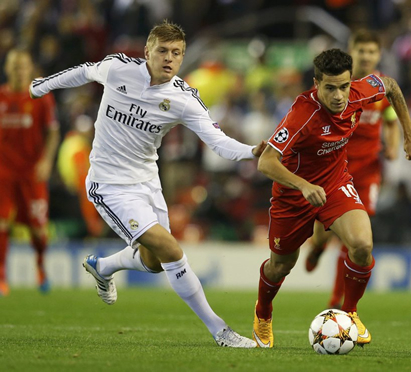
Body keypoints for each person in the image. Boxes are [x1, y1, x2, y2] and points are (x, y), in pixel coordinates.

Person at [30, 20, 265, 348]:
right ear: (147, 52)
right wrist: (40, 86)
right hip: (108, 184)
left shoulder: (184, 99)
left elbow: (219, 142)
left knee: (156, 262)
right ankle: (221, 331)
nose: (170, 58)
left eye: (177, 53)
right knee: (171, 249)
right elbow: (84, 71)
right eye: (163, 51)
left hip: (147, 184)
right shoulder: (118, 69)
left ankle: (105, 266)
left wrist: (252, 151)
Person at [252, 48, 411, 348]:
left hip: (334, 184)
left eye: (343, 86)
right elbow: (266, 162)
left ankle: (350, 311)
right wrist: (303, 185)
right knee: (281, 266)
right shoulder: (301, 114)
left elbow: (392, 86)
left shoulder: (358, 92)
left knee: (362, 245)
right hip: (293, 195)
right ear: (316, 84)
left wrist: (409, 132)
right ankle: (263, 312)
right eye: (330, 88)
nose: (339, 95)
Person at [304, 29, 400, 309]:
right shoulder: (338, 85)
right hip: (334, 171)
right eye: (362, 51)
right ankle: (318, 246)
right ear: (351, 51)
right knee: (325, 233)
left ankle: (339, 303)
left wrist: (392, 145)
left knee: (355, 241)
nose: (367, 56)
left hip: (367, 172)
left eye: (372, 52)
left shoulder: (379, 87)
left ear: (379, 55)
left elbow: (391, 119)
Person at [0, 49, 60, 296]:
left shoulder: (41, 97)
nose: (18, 70)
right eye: (14, 65)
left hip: (31, 173)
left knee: (38, 228)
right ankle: (1, 276)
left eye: (23, 65)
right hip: (3, 173)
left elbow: (53, 132)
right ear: (7, 68)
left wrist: (46, 161)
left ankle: (40, 266)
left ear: (30, 69)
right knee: (2, 222)